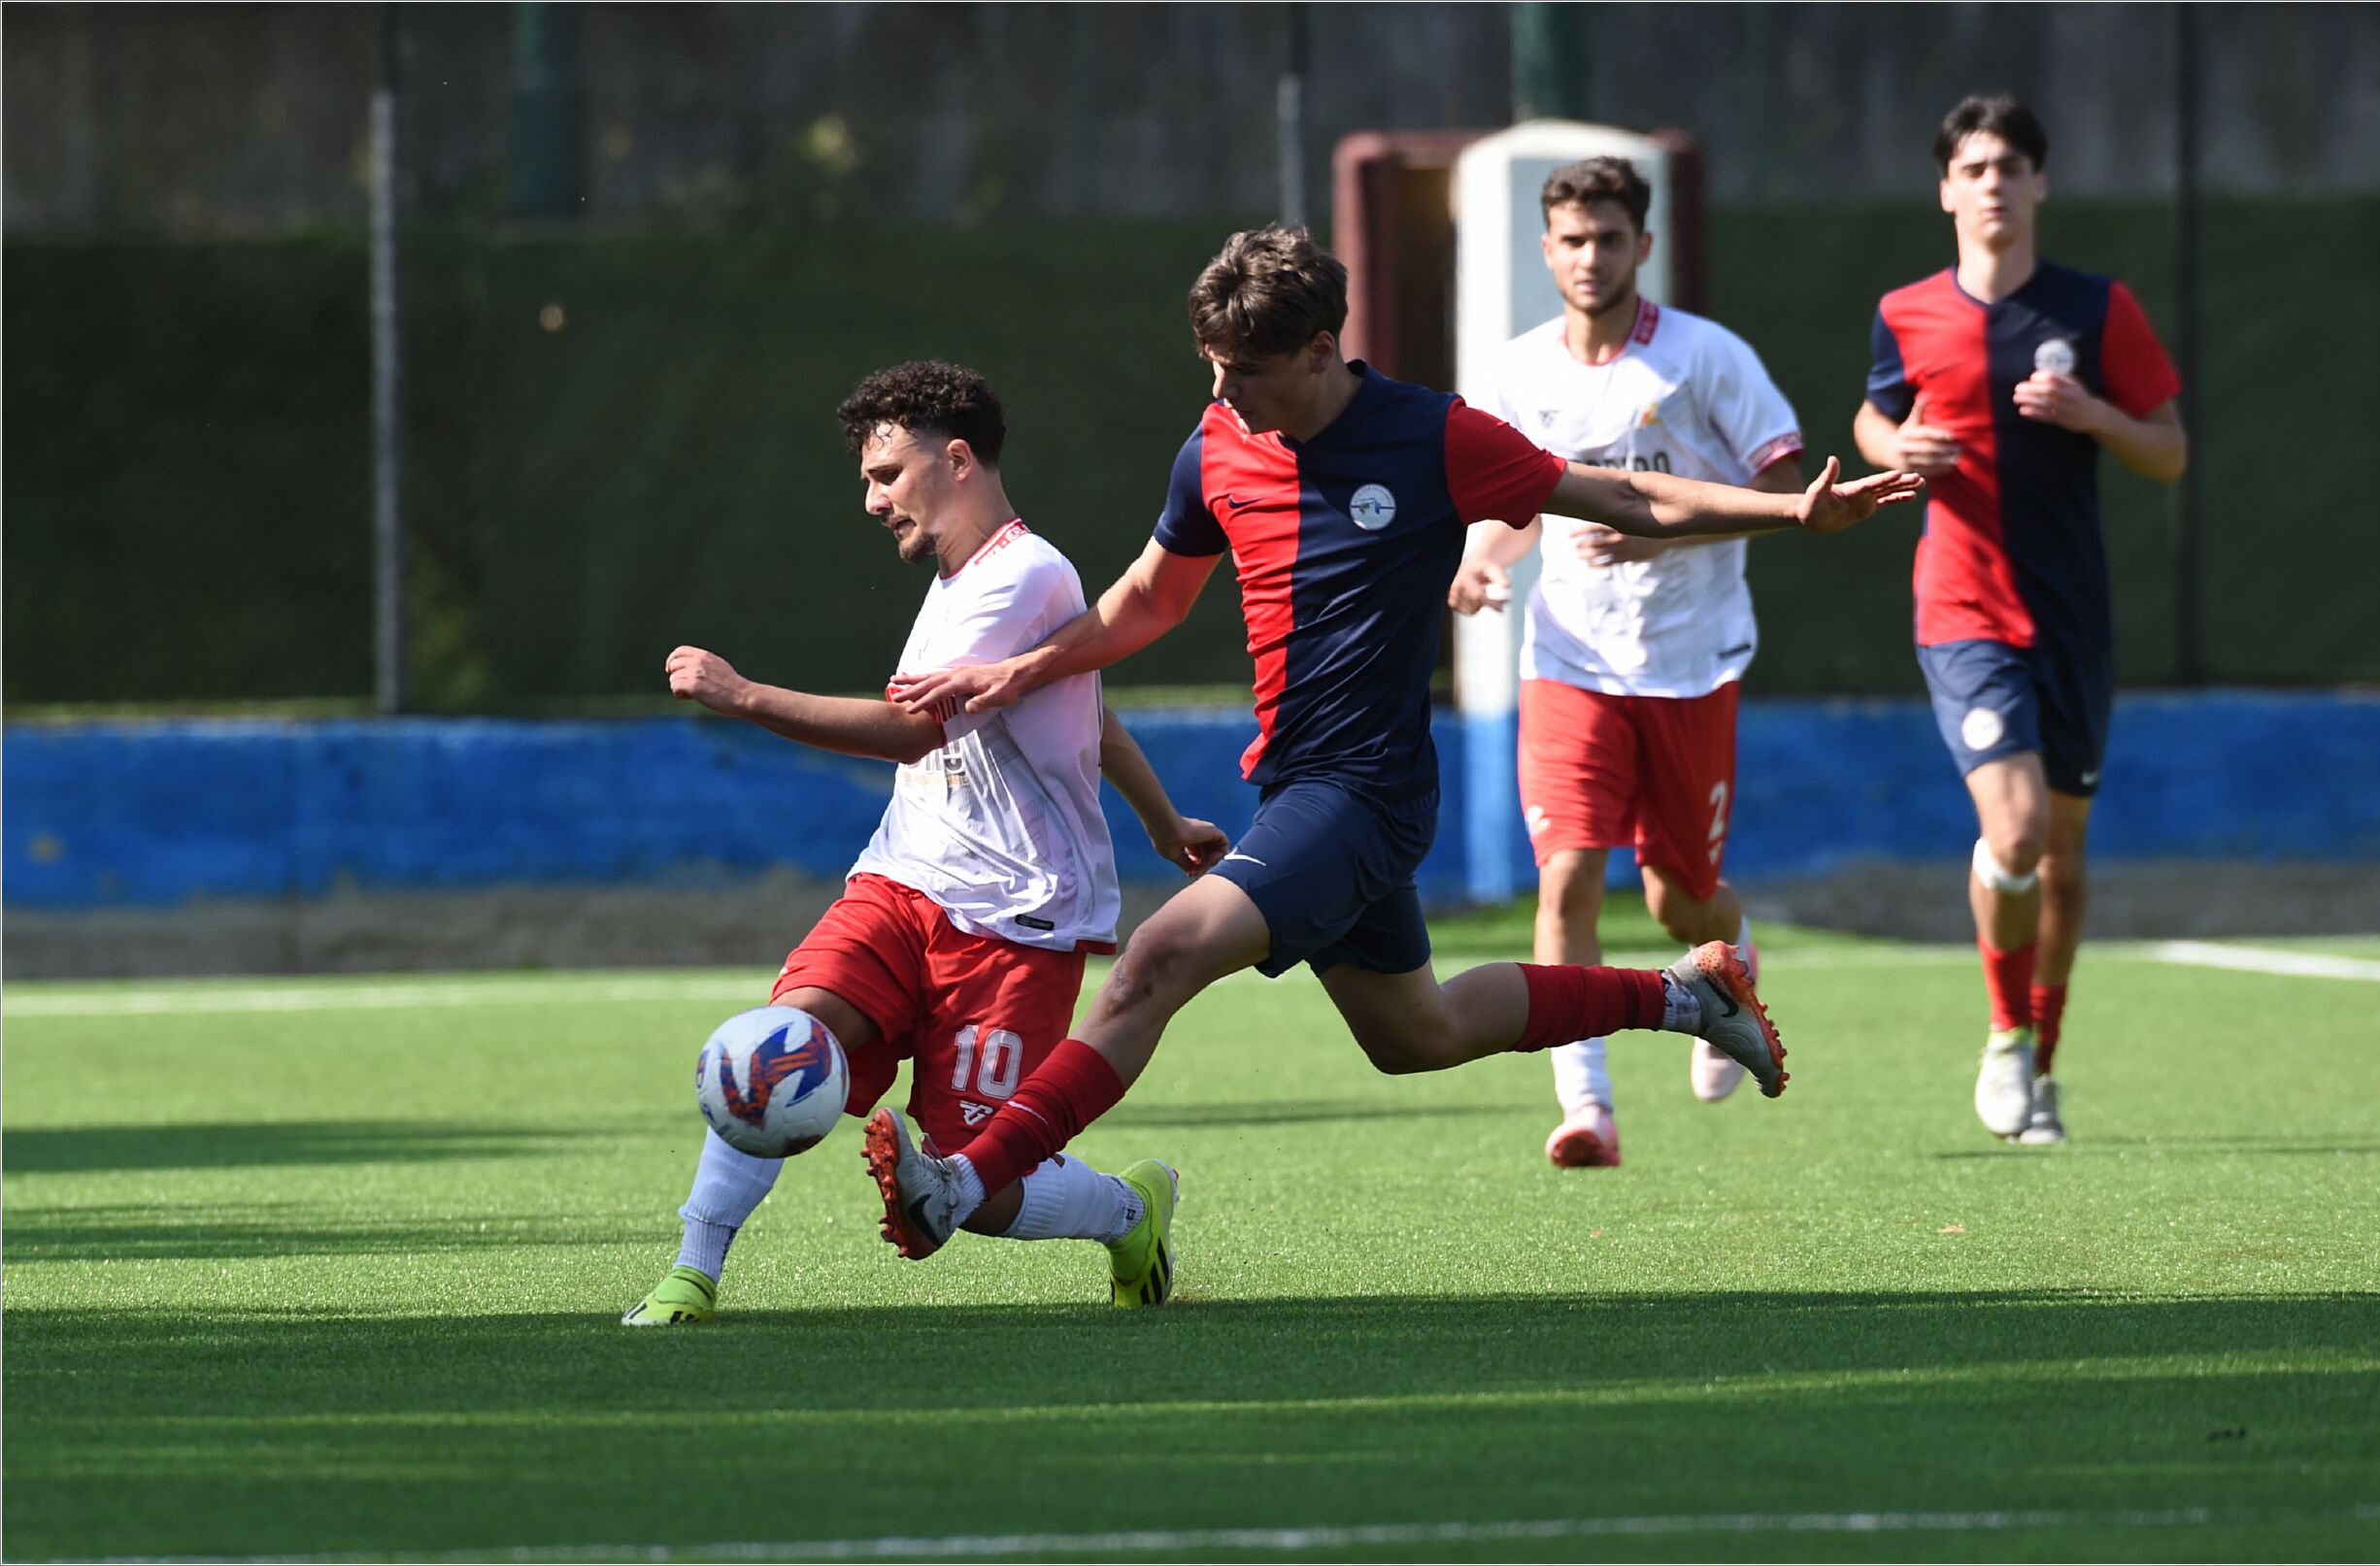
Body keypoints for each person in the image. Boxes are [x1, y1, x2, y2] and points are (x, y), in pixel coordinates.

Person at [870, 225, 1922, 1260]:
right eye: (1212, 366)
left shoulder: (1431, 435)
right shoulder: (1217, 443)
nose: (1223, 390)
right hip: (1298, 786)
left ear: (1321, 349)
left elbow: (1620, 491)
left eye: (1246, 370)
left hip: (1365, 791)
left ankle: (962, 1181)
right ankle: (1689, 994)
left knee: (1158, 960)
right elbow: (1150, 597)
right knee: (1417, 1034)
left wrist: (1790, 513)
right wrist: (1019, 669)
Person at [622, 360, 1228, 1324]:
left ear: (956, 460)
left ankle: (1128, 1210)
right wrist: (1162, 820)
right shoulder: (963, 580)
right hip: (902, 884)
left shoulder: (1026, 574)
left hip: (1016, 920)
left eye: (886, 474)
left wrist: (742, 696)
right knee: (775, 1045)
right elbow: (1084, 706)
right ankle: (691, 1275)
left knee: (972, 1188)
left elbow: (913, 732)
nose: (871, 500)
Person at [1449, 156, 1808, 1169]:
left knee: (1676, 901)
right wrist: (1480, 560)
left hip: (1689, 662)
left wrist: (1663, 532)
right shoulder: (1517, 373)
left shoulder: (1703, 357)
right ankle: (1587, 1106)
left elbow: (1784, 483)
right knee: (1566, 876)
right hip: (1569, 659)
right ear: (1545, 250)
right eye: (1572, 238)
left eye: (1609, 238)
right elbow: (1514, 508)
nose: (1590, 256)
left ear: (1642, 246)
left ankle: (1729, 960)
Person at [1852, 94, 2186, 1147]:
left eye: (2009, 165)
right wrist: (1892, 448)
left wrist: (2096, 416)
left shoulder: (2096, 309)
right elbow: (1873, 413)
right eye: (1973, 167)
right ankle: (2003, 1033)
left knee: (2064, 861)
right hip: (1962, 609)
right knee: (2017, 831)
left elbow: (2169, 450)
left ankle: (2041, 1061)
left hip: (2071, 616)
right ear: (1945, 190)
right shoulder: (1906, 310)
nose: (1992, 182)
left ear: (2038, 183)